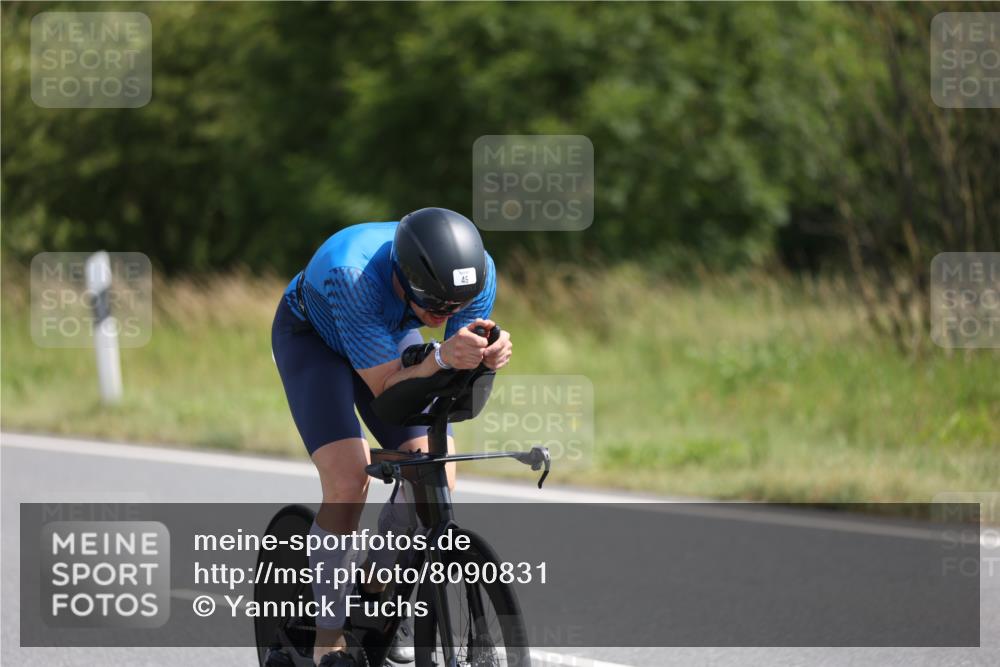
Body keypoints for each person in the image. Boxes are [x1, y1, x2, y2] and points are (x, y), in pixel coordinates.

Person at [270, 207, 513, 667]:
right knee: (347, 478)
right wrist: (441, 358)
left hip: (383, 335)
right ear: (404, 277)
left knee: (436, 470)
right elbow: (385, 391)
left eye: (456, 307)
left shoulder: (475, 276)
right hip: (314, 341)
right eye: (436, 308)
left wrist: (487, 356)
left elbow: (455, 361)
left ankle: (380, 586)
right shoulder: (352, 276)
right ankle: (328, 636)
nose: (446, 317)